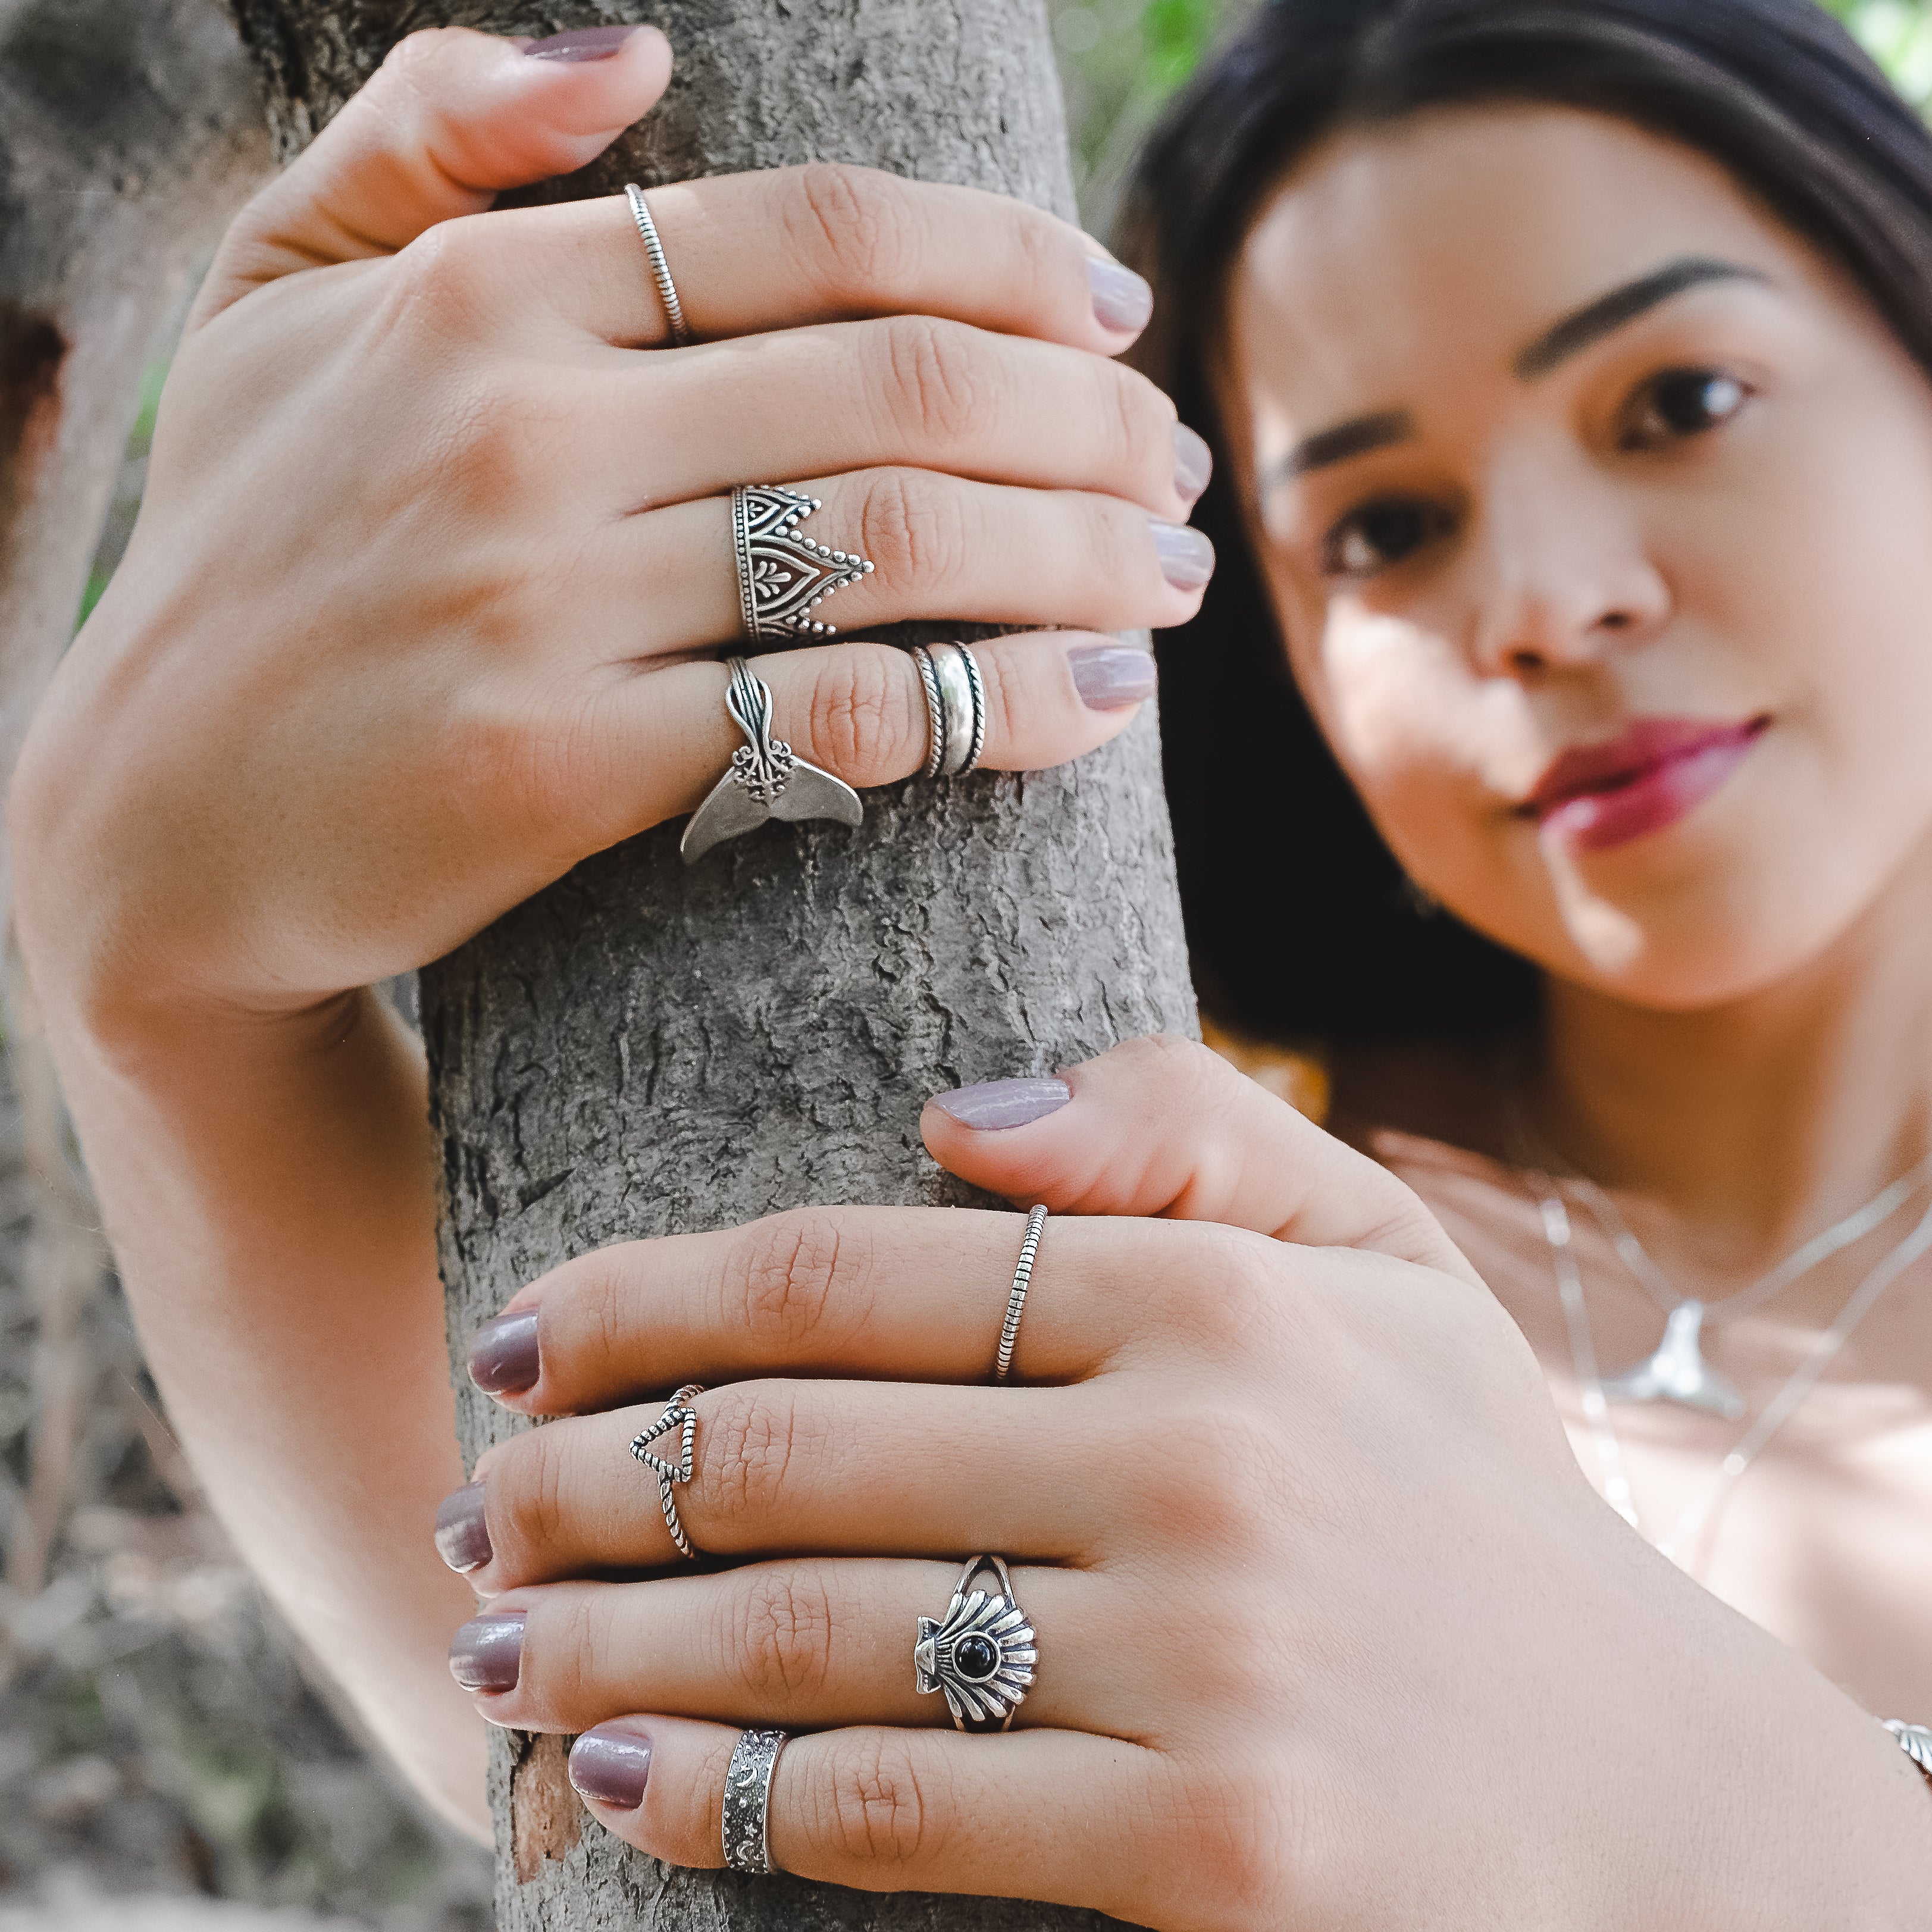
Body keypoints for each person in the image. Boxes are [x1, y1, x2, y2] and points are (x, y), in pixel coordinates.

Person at [14, 0, 1932, 1920]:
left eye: (1677, 404)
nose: (1539, 601)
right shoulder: (1173, 1164)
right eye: (1383, 527)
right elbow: (577, 1727)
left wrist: (1713, 1800)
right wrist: (143, 960)